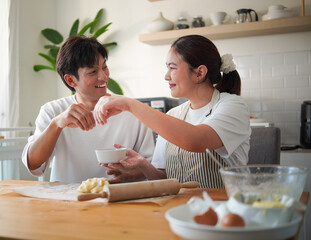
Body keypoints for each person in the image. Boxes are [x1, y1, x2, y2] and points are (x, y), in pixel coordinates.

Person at [94, 35, 251, 188]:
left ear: (199, 73)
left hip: (224, 208)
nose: (166, 76)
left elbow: (197, 140)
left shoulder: (233, 106)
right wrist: (142, 163)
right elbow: (164, 177)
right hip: (180, 210)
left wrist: (130, 104)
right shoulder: (174, 115)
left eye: (172, 67)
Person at [21, 36, 154, 183]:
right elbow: (33, 164)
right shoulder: (53, 110)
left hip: (120, 200)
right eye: (92, 72)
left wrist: (127, 176)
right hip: (67, 201)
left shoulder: (131, 109)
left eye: (104, 67)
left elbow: (151, 165)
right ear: (71, 80)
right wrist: (56, 124)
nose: (103, 77)